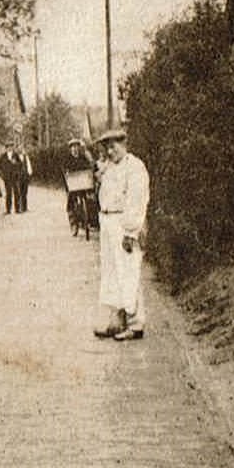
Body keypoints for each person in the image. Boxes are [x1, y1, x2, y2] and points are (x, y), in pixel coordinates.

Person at [92, 127, 150, 341]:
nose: (110, 151)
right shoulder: (109, 168)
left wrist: (130, 232)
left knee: (128, 272)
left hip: (123, 224)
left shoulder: (134, 167)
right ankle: (118, 321)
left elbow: (136, 201)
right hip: (108, 223)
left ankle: (135, 323)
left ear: (124, 144)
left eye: (113, 146)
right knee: (112, 273)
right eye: (107, 147)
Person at [61, 138, 99, 236]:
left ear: (79, 147)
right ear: (70, 149)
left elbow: (90, 166)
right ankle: (73, 224)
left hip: (83, 183)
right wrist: (67, 174)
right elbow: (65, 172)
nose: (75, 149)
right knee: (71, 203)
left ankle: (90, 222)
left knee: (90, 199)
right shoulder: (67, 159)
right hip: (73, 185)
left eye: (76, 146)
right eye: (73, 147)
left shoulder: (83, 157)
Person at [0, 142, 31, 214]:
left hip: (14, 177)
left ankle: (17, 209)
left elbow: (20, 164)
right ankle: (8, 210)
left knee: (16, 192)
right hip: (7, 178)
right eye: (8, 146)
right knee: (8, 193)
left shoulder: (15, 155)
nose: (10, 148)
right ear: (6, 148)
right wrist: (2, 175)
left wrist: (15, 164)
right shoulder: (3, 156)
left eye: (11, 146)